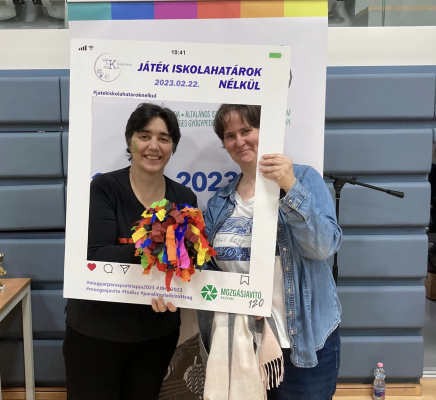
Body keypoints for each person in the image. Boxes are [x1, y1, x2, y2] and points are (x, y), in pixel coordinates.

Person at [199, 104, 342, 399]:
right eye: (230, 135)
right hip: (242, 342)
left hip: (301, 344)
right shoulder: (219, 202)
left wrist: (289, 186)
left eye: (246, 130)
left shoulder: (304, 179)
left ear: (267, 131)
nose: (239, 141)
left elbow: (323, 248)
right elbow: (209, 270)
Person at [64, 103, 197, 400]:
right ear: (130, 141)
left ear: (173, 146)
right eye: (144, 136)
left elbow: (187, 262)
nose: (154, 146)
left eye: (164, 138)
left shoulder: (184, 198)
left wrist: (178, 272)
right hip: (97, 330)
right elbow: (96, 254)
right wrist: (160, 249)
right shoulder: (104, 187)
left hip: (156, 335)